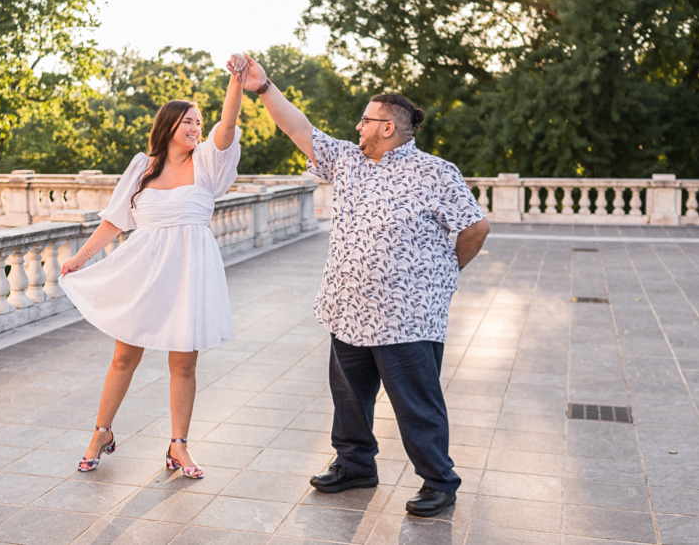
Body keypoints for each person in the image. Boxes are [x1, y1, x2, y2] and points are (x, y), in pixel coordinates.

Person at [236, 55, 489, 517]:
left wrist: (443, 274)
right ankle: (354, 465)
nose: (357, 126)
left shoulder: (436, 172)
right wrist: (263, 86)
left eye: (366, 120)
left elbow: (475, 228)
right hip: (347, 308)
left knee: (417, 403)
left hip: (407, 315)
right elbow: (300, 130)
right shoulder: (348, 161)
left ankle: (438, 481)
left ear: (388, 127)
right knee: (349, 396)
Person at [59, 53, 251, 479]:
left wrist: (236, 83)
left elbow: (228, 125)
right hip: (144, 272)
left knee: (184, 363)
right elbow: (114, 220)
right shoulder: (142, 167)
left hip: (190, 272)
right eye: (188, 122)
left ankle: (178, 447)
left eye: (200, 122)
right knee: (123, 358)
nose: (197, 128)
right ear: (168, 126)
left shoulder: (208, 163)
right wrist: (80, 257)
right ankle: (100, 433)